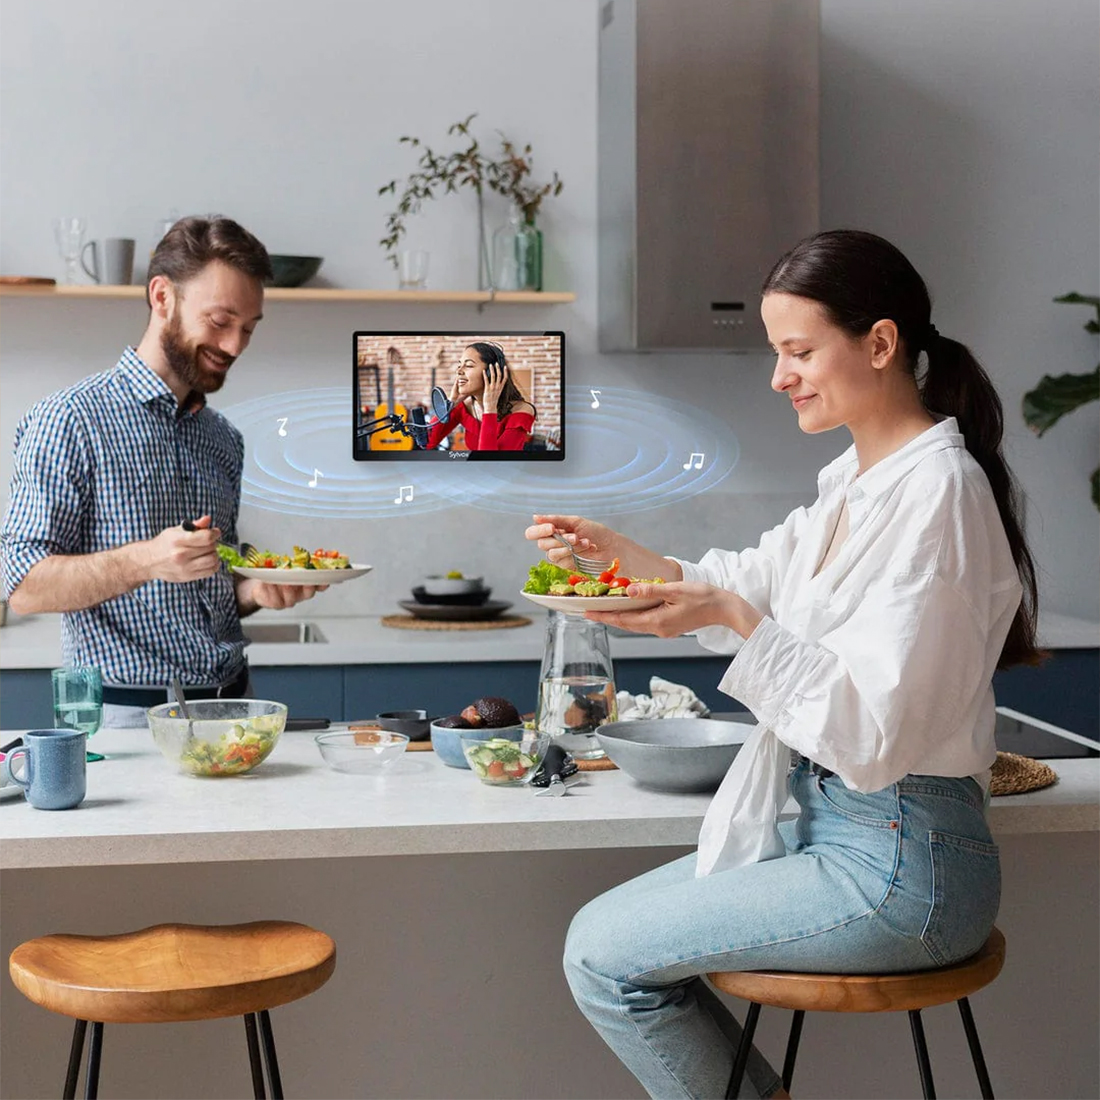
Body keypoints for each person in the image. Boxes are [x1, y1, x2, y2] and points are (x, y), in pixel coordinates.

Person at [525, 229, 1042, 1099]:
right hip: (837, 835)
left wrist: (731, 614)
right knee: (599, 947)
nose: (780, 376)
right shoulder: (855, 481)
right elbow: (749, 581)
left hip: (900, 863)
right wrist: (626, 560)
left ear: (879, 344)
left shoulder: (940, 495)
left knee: (600, 957)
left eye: (798, 350)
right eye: (778, 352)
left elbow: (873, 738)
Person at [0, 216, 326, 726]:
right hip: (126, 713)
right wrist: (146, 560)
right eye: (220, 320)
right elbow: (21, 584)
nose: (235, 345)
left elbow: (206, 592)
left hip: (235, 703)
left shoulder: (223, 439)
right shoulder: (70, 420)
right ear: (161, 297)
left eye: (247, 328)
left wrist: (252, 592)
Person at [426, 341, 536, 451]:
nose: (459, 371)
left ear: (490, 373)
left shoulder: (521, 412)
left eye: (469, 365)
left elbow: (490, 464)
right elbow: (428, 443)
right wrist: (450, 403)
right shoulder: (464, 406)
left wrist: (489, 410)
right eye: (459, 365)